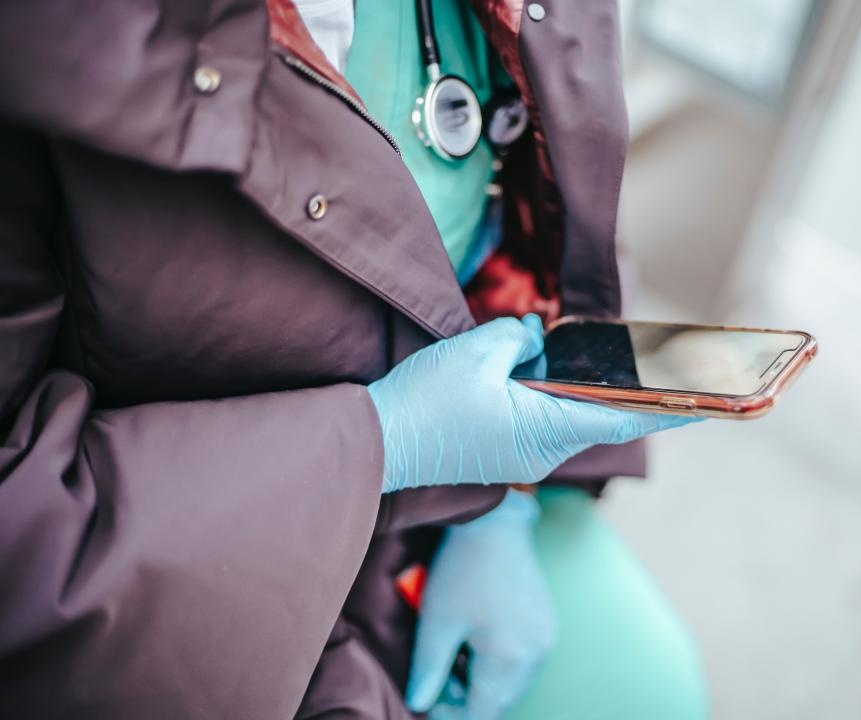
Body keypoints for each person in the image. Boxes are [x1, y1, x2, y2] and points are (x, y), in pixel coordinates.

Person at [0, 1, 708, 718]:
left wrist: (504, 509)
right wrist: (382, 446)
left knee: (659, 688)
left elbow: (544, 209)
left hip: (454, 515)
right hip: (185, 594)